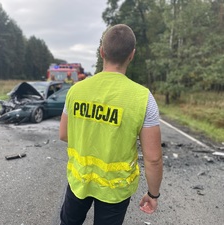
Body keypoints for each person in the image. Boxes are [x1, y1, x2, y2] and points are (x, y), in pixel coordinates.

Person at [59, 24, 163, 225]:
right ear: (131, 55)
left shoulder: (76, 91)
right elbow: (153, 159)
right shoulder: (143, 98)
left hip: (79, 180)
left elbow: (63, 134)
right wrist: (153, 194)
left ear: (102, 52)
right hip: (116, 188)